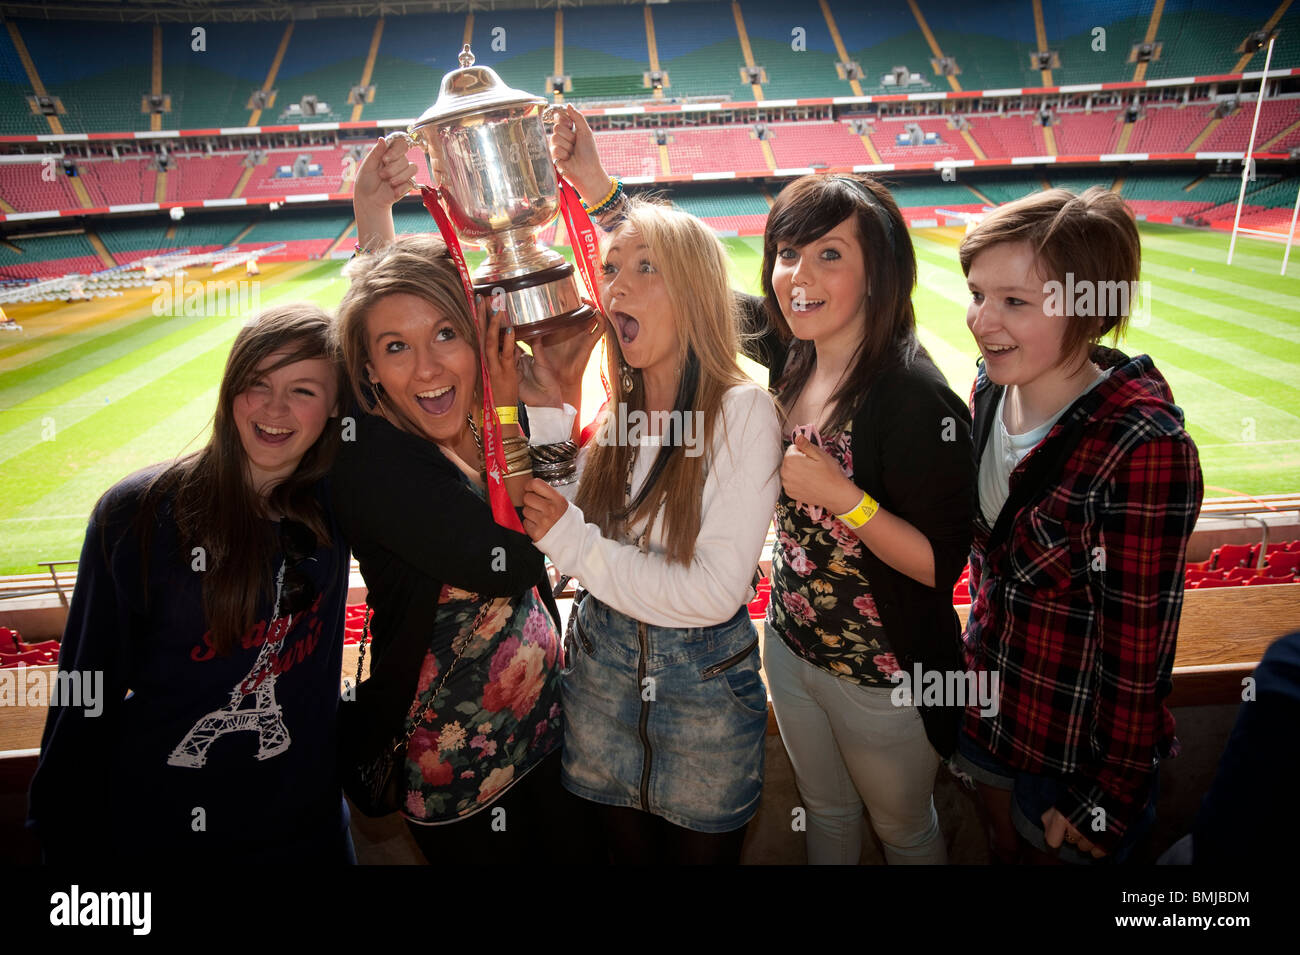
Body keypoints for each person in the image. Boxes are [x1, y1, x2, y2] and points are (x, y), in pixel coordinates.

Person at [332, 138, 597, 863]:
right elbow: (516, 557)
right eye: (395, 349)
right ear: (368, 369)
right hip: (465, 780)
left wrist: (372, 219)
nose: (427, 365)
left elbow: (393, 307)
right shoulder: (374, 460)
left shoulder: (467, 416)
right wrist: (541, 409)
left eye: (448, 333)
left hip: (545, 734)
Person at [28, 304, 353, 864]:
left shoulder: (341, 500)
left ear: (334, 410)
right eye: (257, 383)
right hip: (165, 831)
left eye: (303, 390)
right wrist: (57, 839)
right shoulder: (138, 514)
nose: (275, 408)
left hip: (310, 829)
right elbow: (85, 690)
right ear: (231, 390)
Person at [516, 195, 783, 863]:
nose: (615, 285)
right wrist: (553, 405)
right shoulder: (623, 410)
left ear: (694, 290)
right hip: (598, 681)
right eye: (611, 268)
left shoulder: (743, 411)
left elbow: (713, 592)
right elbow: (578, 520)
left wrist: (575, 543)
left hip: (704, 700)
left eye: (645, 267)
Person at [952, 187, 1203, 864]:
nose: (981, 319)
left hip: (1072, 759)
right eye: (977, 292)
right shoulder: (987, 389)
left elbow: (1139, 647)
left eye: (1014, 301)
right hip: (989, 716)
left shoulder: (1142, 447)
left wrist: (1112, 793)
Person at [746, 174, 975, 865]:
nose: (799, 276)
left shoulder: (915, 396)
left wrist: (846, 496)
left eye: (829, 255)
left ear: (879, 272)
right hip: (789, 647)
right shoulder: (795, 348)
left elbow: (941, 564)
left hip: (883, 675)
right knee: (826, 811)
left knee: (904, 830)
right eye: (788, 252)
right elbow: (696, 295)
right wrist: (602, 192)